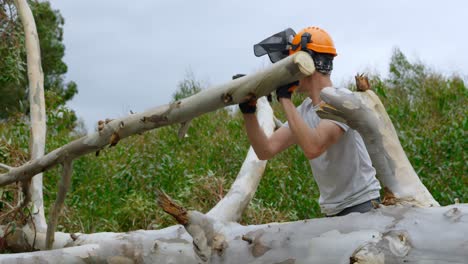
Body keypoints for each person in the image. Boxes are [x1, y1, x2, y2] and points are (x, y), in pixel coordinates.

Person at [238, 26, 381, 217]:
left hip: (363, 205)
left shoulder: (341, 100)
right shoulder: (305, 111)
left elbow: (314, 147)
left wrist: (285, 100)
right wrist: (249, 112)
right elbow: (265, 150)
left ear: (307, 65)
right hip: (333, 210)